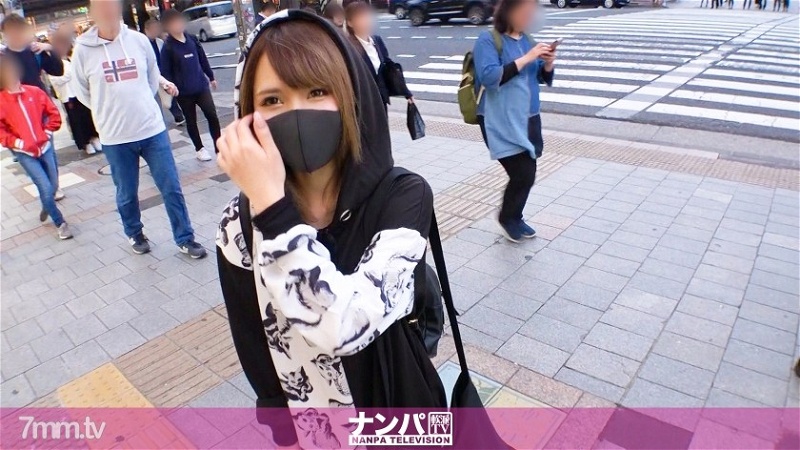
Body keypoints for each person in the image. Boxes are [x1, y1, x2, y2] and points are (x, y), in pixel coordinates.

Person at [215, 10, 445, 448]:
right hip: (318, 427)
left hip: (398, 398)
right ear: (247, 116)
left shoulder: (402, 196)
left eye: (317, 91)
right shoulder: (238, 224)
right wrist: (280, 424)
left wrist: (274, 213)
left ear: (350, 94)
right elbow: (252, 335)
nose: (297, 113)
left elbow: (346, 325)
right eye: (272, 100)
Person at [71, 0, 206, 258]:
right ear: (93, 13)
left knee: (171, 186)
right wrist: (107, 110)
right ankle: (135, 233)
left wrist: (146, 101)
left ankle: (185, 237)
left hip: (151, 129)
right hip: (115, 136)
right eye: (101, 6)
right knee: (127, 193)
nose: (108, 10)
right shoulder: (83, 51)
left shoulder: (138, 41)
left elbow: (152, 77)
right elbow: (82, 93)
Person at [473, 0, 555, 242]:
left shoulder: (527, 40)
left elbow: (540, 76)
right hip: (499, 120)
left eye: (531, 12)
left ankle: (514, 217)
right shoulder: (488, 40)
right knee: (523, 173)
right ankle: (507, 218)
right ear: (508, 11)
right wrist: (528, 57)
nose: (528, 17)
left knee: (527, 173)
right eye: (523, 12)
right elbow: (490, 77)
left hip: (528, 118)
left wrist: (548, 62)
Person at [0, 55, 72, 240]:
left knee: (53, 186)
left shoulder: (34, 92)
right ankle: (60, 222)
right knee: (45, 187)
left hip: (45, 147)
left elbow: (53, 113)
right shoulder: (1, 101)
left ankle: (47, 205)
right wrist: (18, 143)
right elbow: (1, 131)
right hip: (25, 153)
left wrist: (47, 133)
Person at [2, 13, 66, 198]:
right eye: (10, 31)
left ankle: (53, 186)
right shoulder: (3, 58)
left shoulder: (35, 51)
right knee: (27, 154)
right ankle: (44, 186)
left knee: (48, 151)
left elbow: (57, 70)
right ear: (5, 34)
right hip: (15, 115)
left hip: (40, 110)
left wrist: (49, 48)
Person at [160, 9, 220, 162]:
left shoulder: (192, 39)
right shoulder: (168, 47)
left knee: (212, 115)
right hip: (184, 92)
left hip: (201, 86)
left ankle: (219, 147)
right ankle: (199, 148)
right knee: (191, 120)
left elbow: (202, 59)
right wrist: (170, 87)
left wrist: (211, 77)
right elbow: (165, 72)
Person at [345, 2, 413, 108]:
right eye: (360, 18)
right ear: (350, 23)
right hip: (362, 104)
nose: (366, 21)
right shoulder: (348, 47)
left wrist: (406, 93)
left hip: (381, 100)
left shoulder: (377, 40)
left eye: (367, 17)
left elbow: (388, 67)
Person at [48, 34, 102, 156]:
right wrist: (70, 73)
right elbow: (56, 79)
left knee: (88, 117)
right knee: (77, 121)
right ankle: (85, 143)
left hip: (80, 93)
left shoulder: (72, 57)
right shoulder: (54, 62)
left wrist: (71, 73)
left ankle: (95, 138)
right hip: (68, 97)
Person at [144, 18, 185, 126]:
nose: (156, 31)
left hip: (163, 71)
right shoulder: (143, 43)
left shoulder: (160, 42)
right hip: (151, 75)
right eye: (153, 29)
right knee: (156, 98)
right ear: (147, 30)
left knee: (169, 93)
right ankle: (163, 119)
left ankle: (178, 116)